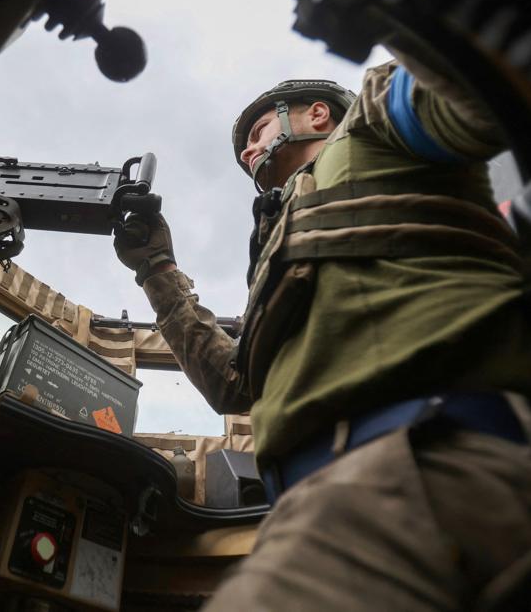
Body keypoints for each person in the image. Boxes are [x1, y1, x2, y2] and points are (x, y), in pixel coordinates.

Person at [113, 59, 531, 610]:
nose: (245, 152)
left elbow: (478, 84)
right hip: (325, 497)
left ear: (316, 114)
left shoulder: (374, 125)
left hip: (424, 457)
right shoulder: (276, 246)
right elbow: (234, 386)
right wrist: (157, 269)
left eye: (258, 130)